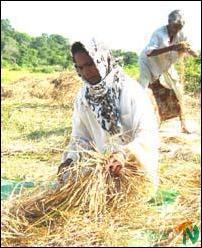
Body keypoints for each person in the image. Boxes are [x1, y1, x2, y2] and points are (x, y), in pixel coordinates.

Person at [57, 39, 159, 194]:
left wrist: (124, 154)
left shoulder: (130, 90)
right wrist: (70, 159)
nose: (86, 72)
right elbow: (80, 138)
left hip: (133, 171)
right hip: (100, 173)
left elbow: (147, 134)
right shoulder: (84, 96)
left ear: (103, 60)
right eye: (81, 67)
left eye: (90, 64)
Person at [138, 9, 198, 133]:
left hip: (166, 65)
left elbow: (192, 52)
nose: (177, 30)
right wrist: (172, 47)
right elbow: (149, 52)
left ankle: (184, 125)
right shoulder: (158, 34)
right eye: (175, 27)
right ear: (169, 23)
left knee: (178, 90)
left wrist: (190, 50)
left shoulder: (182, 34)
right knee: (143, 90)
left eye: (180, 27)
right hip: (148, 63)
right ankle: (141, 124)